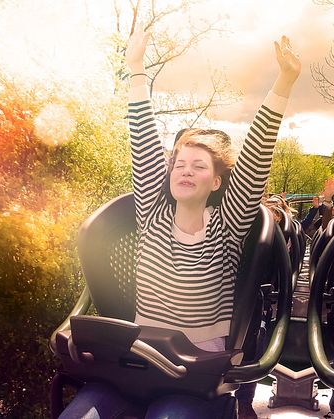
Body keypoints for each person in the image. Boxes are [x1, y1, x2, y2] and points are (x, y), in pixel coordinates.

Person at [59, 25, 300, 419]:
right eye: (179, 164)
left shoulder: (227, 225)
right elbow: (143, 142)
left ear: (217, 181)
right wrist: (136, 69)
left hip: (192, 374)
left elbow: (256, 155)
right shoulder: (152, 214)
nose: (184, 170)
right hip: (135, 362)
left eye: (198, 166)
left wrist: (284, 82)